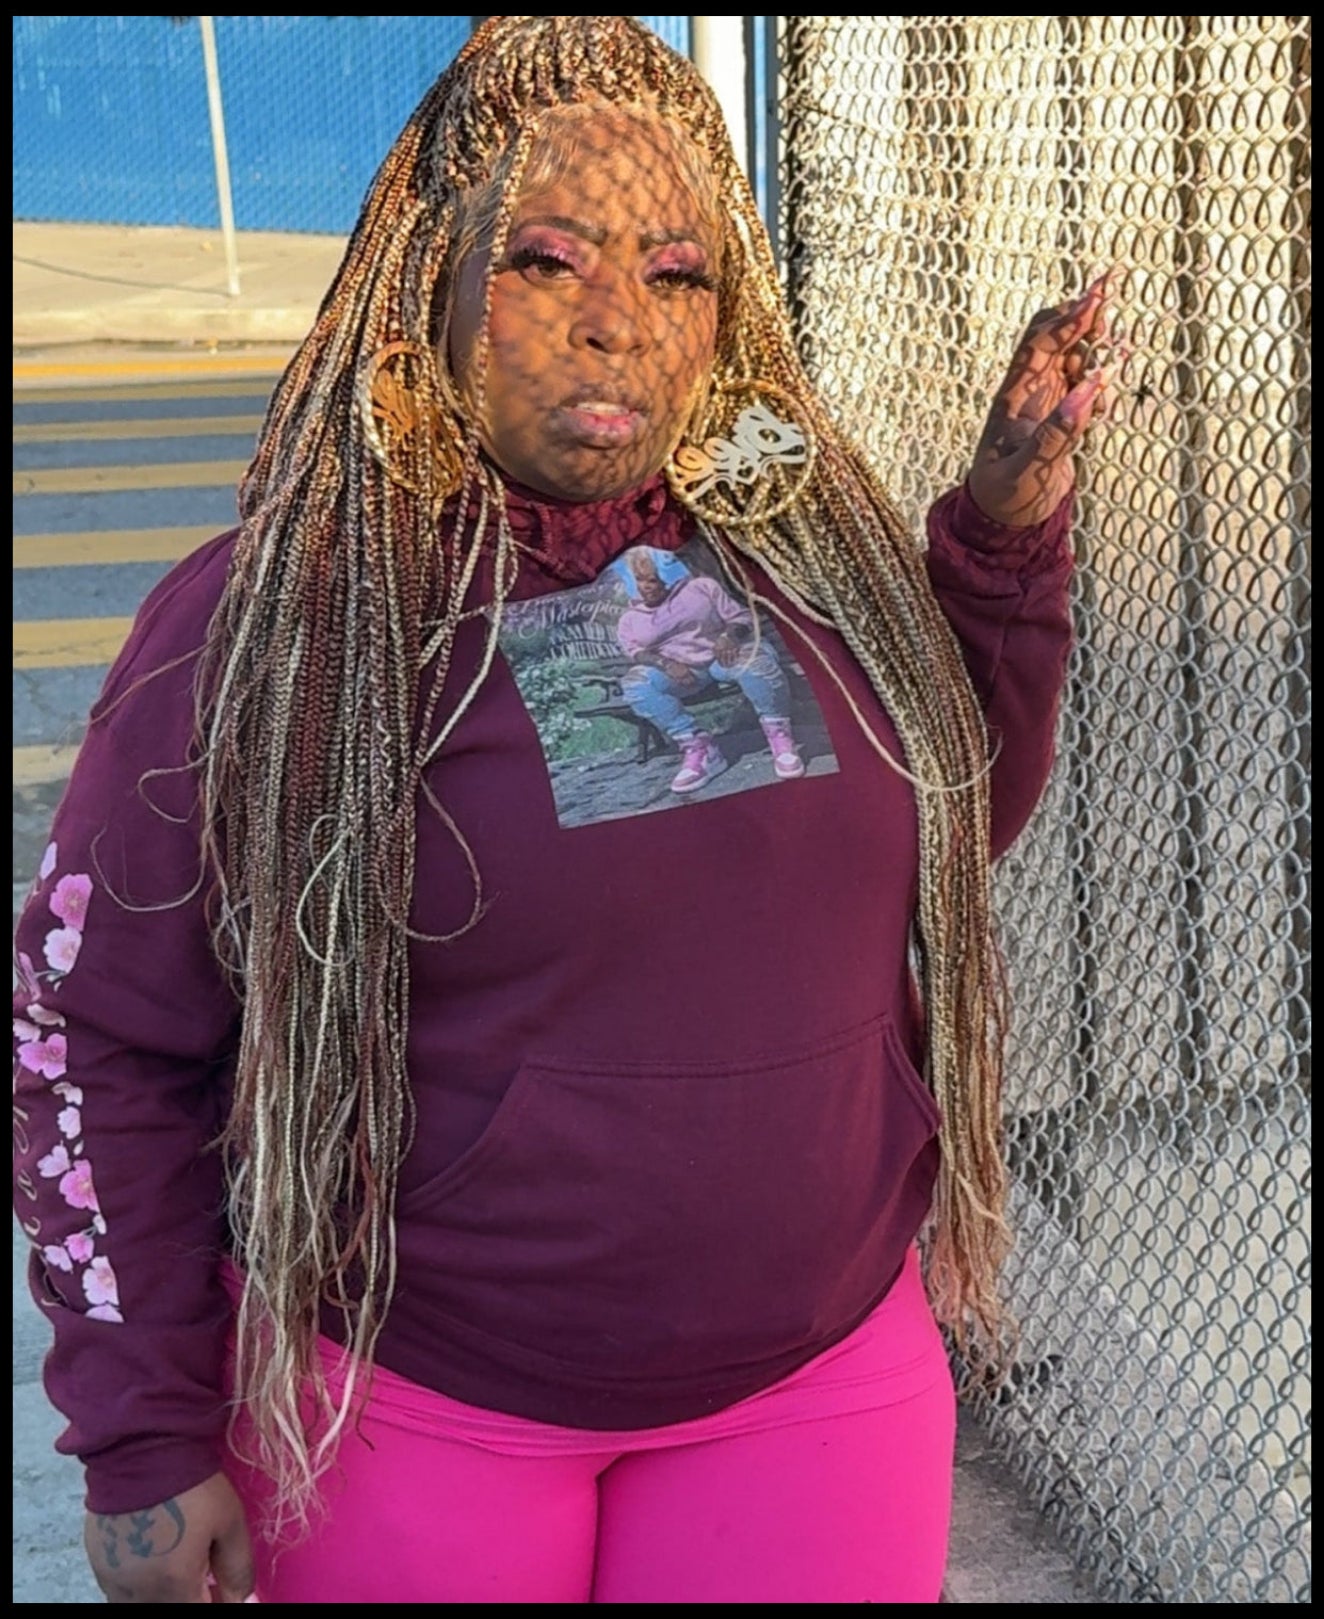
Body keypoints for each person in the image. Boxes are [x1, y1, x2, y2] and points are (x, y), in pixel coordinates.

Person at [11, 15, 1116, 1605]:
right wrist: (143, 1435)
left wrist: (1002, 539)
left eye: (676, 276)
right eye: (547, 260)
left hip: (815, 1380)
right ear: (435, 275)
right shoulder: (297, 610)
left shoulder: (766, 561)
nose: (618, 325)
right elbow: (88, 1027)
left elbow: (954, 823)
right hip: (421, 1407)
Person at [616, 547, 806, 790]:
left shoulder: (701, 588)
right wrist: (665, 663)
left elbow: (742, 619)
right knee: (636, 685)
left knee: (755, 662)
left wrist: (730, 636)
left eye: (652, 579)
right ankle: (700, 748)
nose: (646, 587)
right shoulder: (630, 618)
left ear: (667, 576)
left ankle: (779, 735)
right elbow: (635, 652)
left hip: (723, 655)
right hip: (685, 671)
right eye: (639, 580)